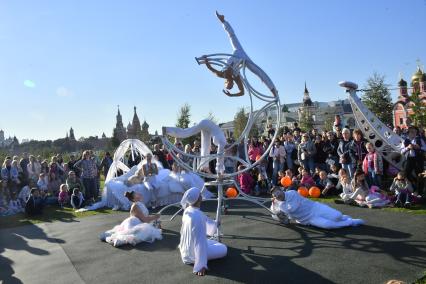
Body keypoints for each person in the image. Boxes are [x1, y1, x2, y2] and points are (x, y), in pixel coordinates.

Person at [200, 12, 278, 98]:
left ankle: (223, 21)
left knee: (231, 36)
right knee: (258, 72)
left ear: (226, 82)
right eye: (232, 86)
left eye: (229, 85)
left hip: (237, 51)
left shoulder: (222, 74)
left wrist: (206, 60)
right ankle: (273, 90)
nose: (232, 85)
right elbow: (242, 92)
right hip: (244, 58)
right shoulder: (236, 77)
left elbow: (211, 68)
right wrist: (231, 95)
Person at [179, 187, 227, 276]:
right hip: (193, 256)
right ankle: (199, 262)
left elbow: (206, 220)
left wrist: (215, 223)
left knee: (213, 241)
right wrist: (200, 265)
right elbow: (199, 242)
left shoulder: (188, 210)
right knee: (224, 248)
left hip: (186, 251)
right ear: (198, 199)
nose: (201, 196)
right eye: (200, 195)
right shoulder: (197, 216)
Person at [270, 187, 364, 229]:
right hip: (308, 219)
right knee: (328, 225)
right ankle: (350, 222)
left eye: (278, 192)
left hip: (315, 208)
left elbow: (293, 208)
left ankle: (343, 218)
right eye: (275, 195)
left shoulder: (292, 193)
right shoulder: (278, 204)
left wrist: (280, 209)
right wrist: (276, 210)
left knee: (337, 216)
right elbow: (283, 219)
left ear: (281, 190)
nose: (277, 195)